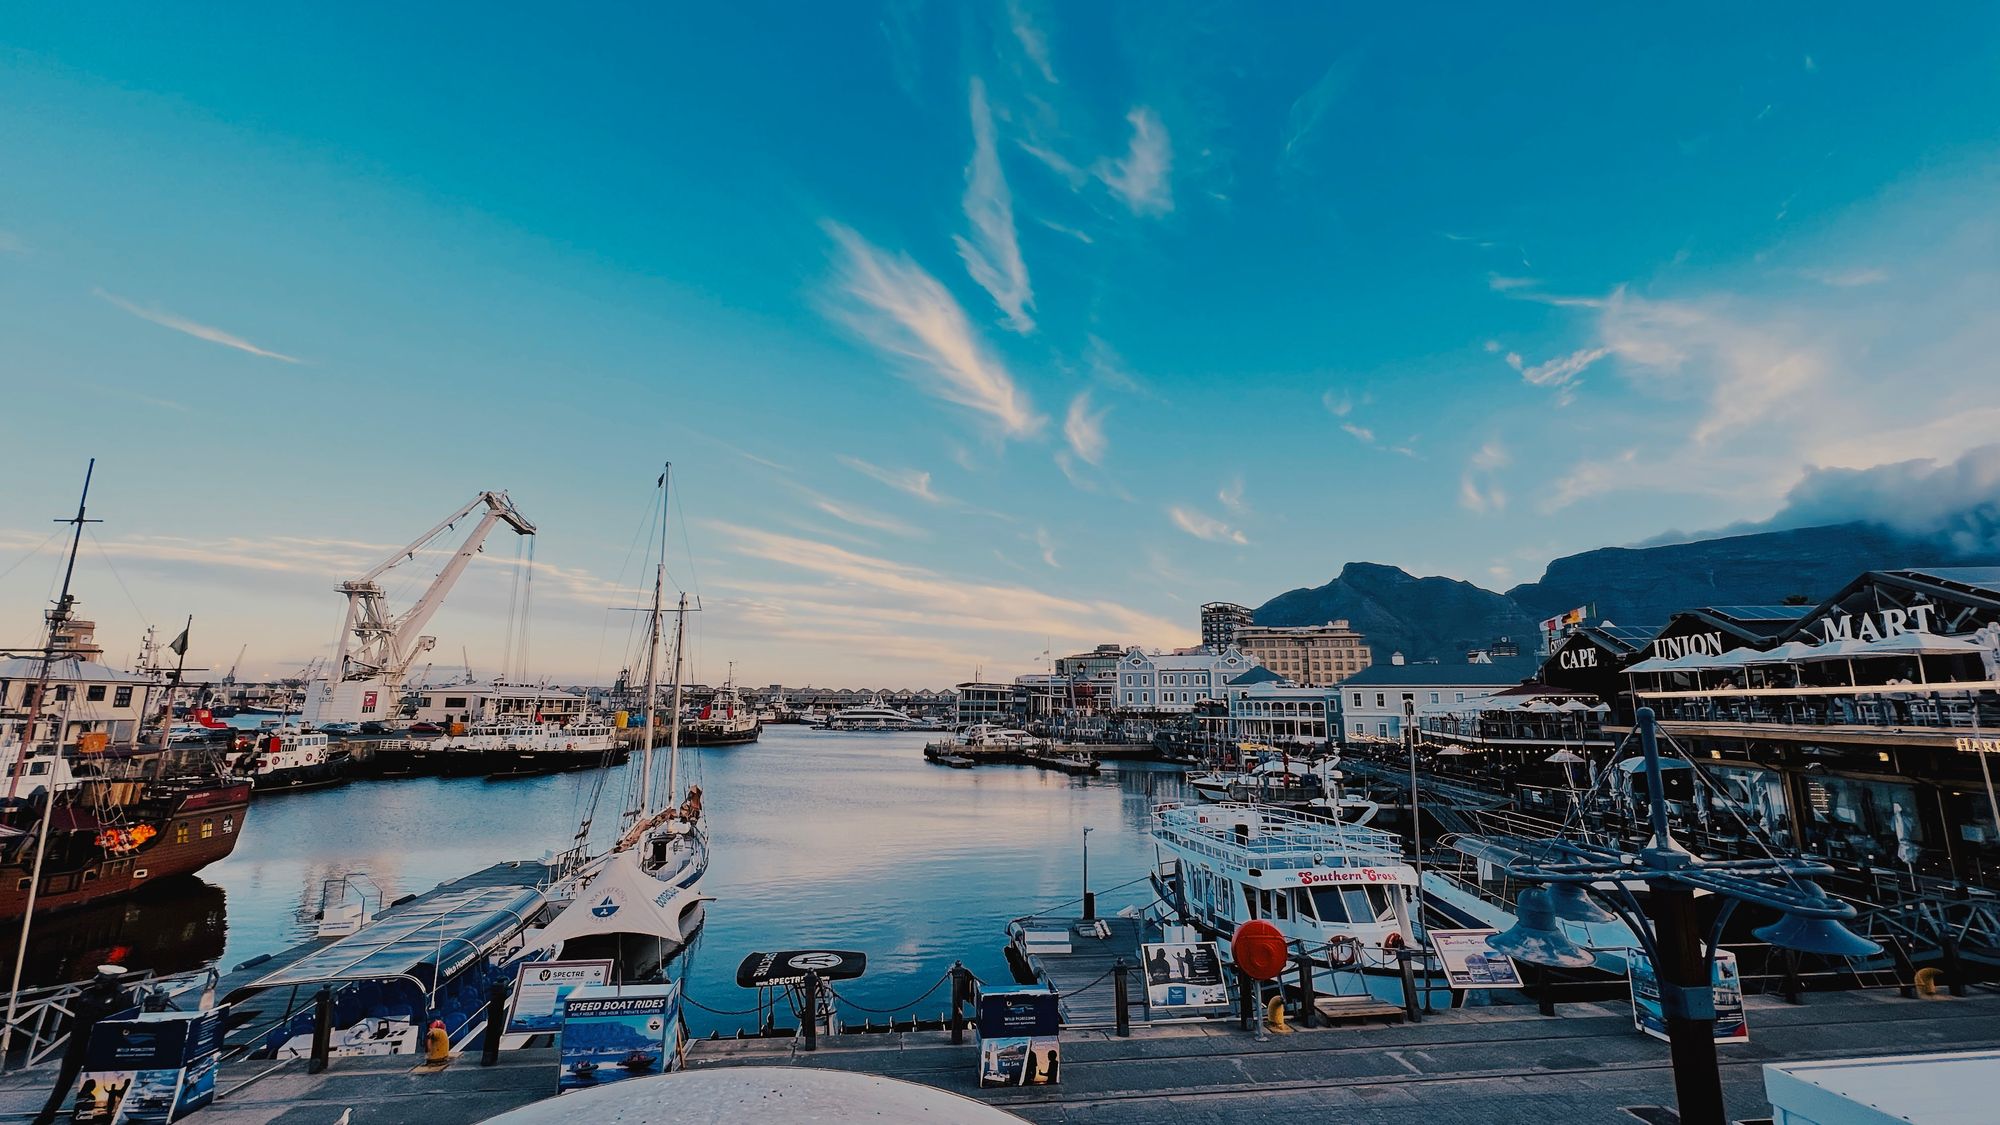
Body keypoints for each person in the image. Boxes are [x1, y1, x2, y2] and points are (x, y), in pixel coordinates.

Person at [34, 965, 132, 1125]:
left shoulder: (122, 995)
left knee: (102, 1082)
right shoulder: (87, 993)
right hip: (78, 1042)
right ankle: (47, 1114)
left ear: (112, 981)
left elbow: (123, 1022)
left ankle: (97, 1116)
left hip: (101, 1045)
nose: (98, 984)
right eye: (98, 980)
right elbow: (77, 1018)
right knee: (63, 1081)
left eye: (102, 981)